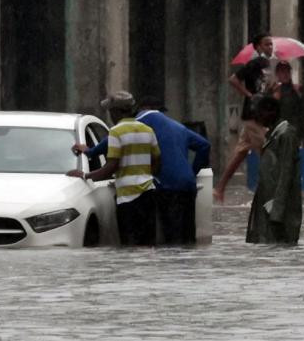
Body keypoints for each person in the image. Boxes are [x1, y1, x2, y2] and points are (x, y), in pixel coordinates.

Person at [76, 96, 211, 245]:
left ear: (140, 109)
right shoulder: (177, 126)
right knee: (187, 239)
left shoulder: (139, 124)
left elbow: (109, 147)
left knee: (169, 240)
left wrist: (90, 153)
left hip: (164, 189)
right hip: (188, 187)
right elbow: (204, 145)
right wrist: (192, 173)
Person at [66, 92, 161, 246]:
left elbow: (111, 167)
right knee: (148, 244)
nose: (109, 115)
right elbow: (157, 159)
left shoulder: (116, 132)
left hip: (128, 198)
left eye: (110, 111)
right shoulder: (147, 130)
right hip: (148, 194)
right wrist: (145, 175)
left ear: (116, 112)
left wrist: (85, 175)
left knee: (129, 246)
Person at [215, 32, 275, 203]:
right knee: (268, 152)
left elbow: (264, 89)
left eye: (271, 44)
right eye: (266, 44)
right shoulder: (254, 63)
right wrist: (249, 95)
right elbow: (233, 79)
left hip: (261, 114)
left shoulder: (266, 66)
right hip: (253, 116)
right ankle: (267, 194)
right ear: (258, 47)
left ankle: (220, 188)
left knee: (240, 154)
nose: (270, 47)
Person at [246, 97, 302, 245]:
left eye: (260, 113)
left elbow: (286, 173)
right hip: (268, 207)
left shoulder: (286, 135)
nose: (257, 117)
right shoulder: (274, 135)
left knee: (281, 248)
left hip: (280, 213)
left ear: (271, 112)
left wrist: (276, 211)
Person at [270, 60, 304, 143]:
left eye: (288, 71)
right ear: (277, 74)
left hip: (296, 132)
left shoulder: (297, 89)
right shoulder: (273, 90)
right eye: (282, 71)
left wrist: (300, 94)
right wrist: (274, 100)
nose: (286, 74)